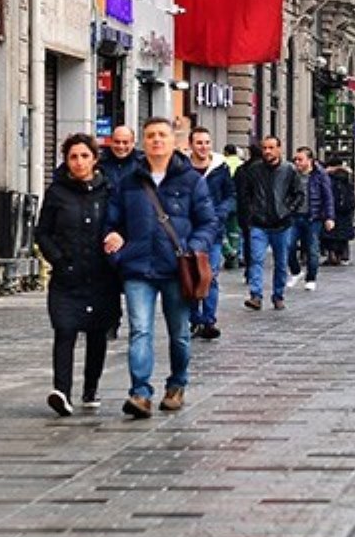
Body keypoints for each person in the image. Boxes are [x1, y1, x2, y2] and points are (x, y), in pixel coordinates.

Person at [103, 118, 217, 419]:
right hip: (138, 267)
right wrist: (115, 241)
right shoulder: (129, 181)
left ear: (173, 140)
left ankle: (177, 384)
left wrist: (193, 247)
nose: (156, 140)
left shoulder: (191, 180)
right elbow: (112, 221)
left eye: (162, 135)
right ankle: (140, 393)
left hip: (176, 267)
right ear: (144, 141)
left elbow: (208, 222)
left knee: (179, 333)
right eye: (151, 136)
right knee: (140, 330)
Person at [35, 134, 121, 416]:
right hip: (67, 276)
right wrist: (57, 259)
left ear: (95, 159)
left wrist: (117, 241)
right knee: (65, 329)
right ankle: (61, 391)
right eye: (73, 157)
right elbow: (42, 232)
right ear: (66, 160)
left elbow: (120, 224)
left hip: (100, 275)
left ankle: (90, 388)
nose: (79, 162)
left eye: (85, 156)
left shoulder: (108, 190)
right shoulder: (57, 192)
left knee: (97, 333)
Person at [236, 136, 304, 311]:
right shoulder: (254, 170)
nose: (267, 151)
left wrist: (288, 209)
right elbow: (247, 193)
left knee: (281, 262)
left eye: (271, 147)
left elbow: (299, 193)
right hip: (259, 223)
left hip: (282, 224)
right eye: (265, 148)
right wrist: (251, 212)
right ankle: (256, 295)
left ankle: (278, 295)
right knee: (256, 259)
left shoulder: (289, 170)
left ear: (279, 149)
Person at [186, 127, 234, 340]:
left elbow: (231, 195)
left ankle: (209, 320)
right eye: (199, 143)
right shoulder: (182, 168)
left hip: (213, 231)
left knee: (210, 275)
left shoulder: (220, 168)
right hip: (188, 232)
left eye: (207, 142)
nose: (203, 147)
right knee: (190, 276)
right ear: (191, 145)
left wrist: (220, 213)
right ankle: (194, 318)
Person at [289, 147, 335, 293]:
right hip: (294, 216)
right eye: (295, 159)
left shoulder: (320, 175)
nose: (296, 162)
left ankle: (311, 279)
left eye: (300, 159)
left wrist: (329, 217)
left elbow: (328, 197)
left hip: (313, 217)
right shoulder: (291, 174)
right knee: (288, 246)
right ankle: (296, 272)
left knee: (312, 249)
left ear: (310, 160)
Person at [324, 159, 355, 266]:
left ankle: (332, 255)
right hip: (345, 212)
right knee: (343, 237)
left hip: (332, 210)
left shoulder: (327, 179)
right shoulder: (346, 178)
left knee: (330, 236)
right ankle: (343, 256)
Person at [219, 145, 244, 270]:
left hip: (224, 200)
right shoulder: (241, 164)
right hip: (239, 200)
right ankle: (237, 256)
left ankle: (228, 251)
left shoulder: (223, 163)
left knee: (221, 228)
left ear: (226, 152)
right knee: (235, 230)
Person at [98, 125, 142, 191]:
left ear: (133, 143)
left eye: (125, 142)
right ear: (111, 142)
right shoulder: (99, 162)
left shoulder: (143, 163)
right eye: (117, 142)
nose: (121, 146)